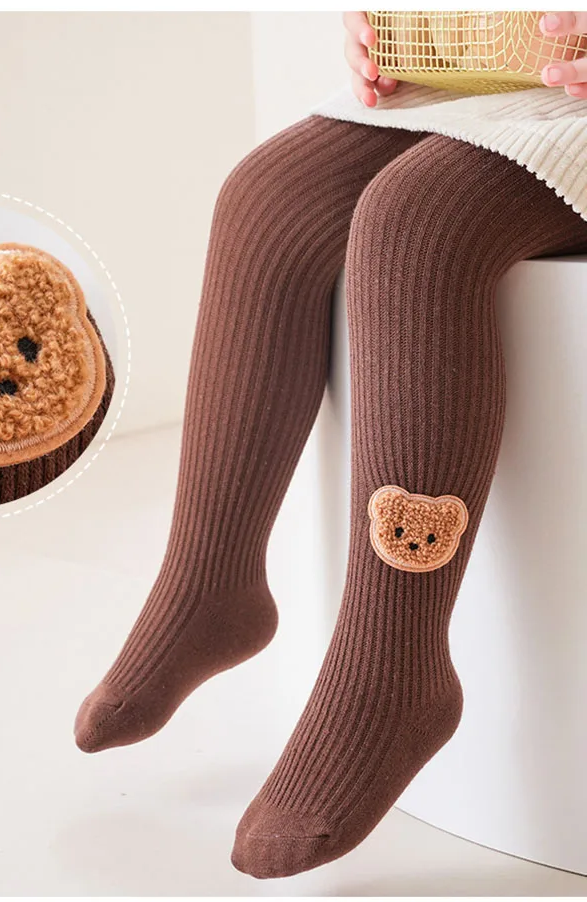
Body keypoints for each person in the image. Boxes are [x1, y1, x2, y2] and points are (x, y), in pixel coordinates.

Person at [75, 12, 587, 878]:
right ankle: (208, 581)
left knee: (418, 223)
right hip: (490, 84)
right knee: (265, 199)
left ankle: (393, 670)